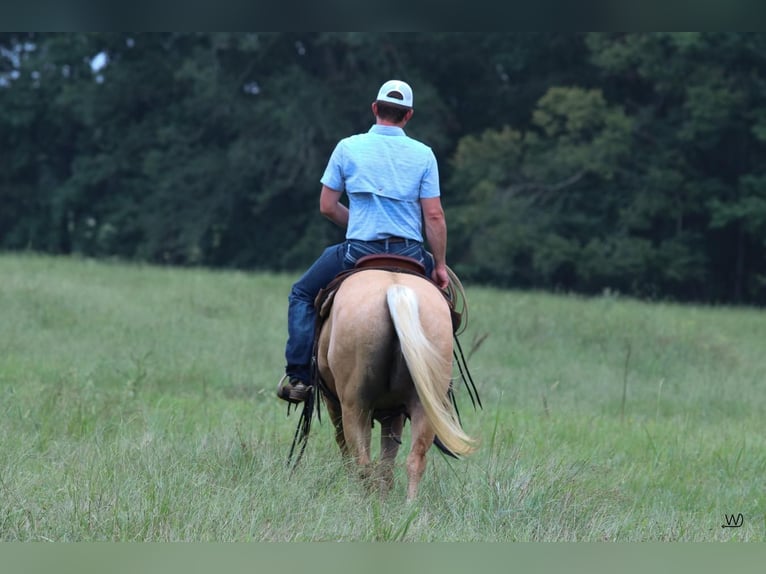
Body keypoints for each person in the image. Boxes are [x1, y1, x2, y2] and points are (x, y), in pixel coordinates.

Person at [277, 79, 450, 404]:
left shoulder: (347, 147)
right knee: (446, 305)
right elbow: (435, 216)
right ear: (408, 115)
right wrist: (439, 266)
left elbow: (327, 206)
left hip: (358, 252)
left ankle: (299, 376)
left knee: (301, 293)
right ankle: (442, 381)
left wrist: (358, 223)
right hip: (410, 252)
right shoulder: (424, 155)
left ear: (375, 109)